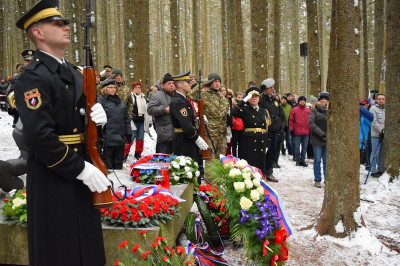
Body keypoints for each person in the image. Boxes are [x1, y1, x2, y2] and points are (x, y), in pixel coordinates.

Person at [14, 1, 110, 265]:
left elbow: (77, 124)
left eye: (65, 22)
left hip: (81, 169)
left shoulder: (75, 73)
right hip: (53, 174)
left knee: (86, 248)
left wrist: (97, 122)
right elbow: (39, 137)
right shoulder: (33, 77)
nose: (66, 26)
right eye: (57, 23)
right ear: (38, 33)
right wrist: (79, 168)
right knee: (59, 247)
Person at [188, 73, 229, 158]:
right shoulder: (204, 94)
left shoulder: (222, 97)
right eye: (214, 81)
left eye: (219, 81)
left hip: (222, 134)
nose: (217, 84)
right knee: (210, 160)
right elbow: (190, 95)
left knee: (221, 160)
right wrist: (202, 84)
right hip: (210, 133)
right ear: (209, 83)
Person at [170, 71, 208, 161]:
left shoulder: (183, 99)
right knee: (187, 169)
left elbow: (187, 119)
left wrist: (198, 120)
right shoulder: (179, 102)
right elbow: (186, 126)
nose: (190, 83)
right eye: (187, 81)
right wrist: (197, 138)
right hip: (183, 140)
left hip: (187, 138)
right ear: (180, 84)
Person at [231, 88, 270, 173]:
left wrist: (267, 139)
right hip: (248, 142)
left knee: (260, 164)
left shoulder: (265, 111)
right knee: (249, 165)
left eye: (256, 96)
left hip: (261, 141)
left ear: (259, 98)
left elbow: (267, 127)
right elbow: (233, 112)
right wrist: (243, 101)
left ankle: (261, 180)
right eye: (251, 97)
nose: (254, 98)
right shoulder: (245, 109)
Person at [97, 79, 132, 169]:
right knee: (108, 164)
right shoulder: (101, 100)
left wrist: (128, 133)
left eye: (114, 87)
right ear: (105, 89)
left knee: (118, 163)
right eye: (110, 87)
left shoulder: (119, 101)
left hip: (120, 138)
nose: (113, 89)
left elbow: (126, 118)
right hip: (108, 138)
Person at [259, 78, 285, 182]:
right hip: (265, 131)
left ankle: (269, 172)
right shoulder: (261, 100)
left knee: (272, 152)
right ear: (265, 89)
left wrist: (281, 126)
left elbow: (281, 114)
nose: (272, 89)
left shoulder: (275, 100)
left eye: (273, 87)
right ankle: (261, 171)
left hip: (276, 131)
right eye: (270, 87)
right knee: (263, 151)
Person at [147, 73, 176, 154]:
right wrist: (164, 110)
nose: (171, 85)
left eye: (173, 83)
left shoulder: (177, 95)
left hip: (177, 134)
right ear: (163, 85)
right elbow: (150, 109)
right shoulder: (156, 96)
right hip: (164, 134)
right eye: (169, 83)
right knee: (164, 160)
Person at [309, 92, 329, 188]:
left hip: (327, 140)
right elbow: (311, 124)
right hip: (317, 139)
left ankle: (327, 179)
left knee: (326, 160)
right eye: (321, 99)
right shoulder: (314, 110)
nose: (323, 100)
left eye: (325, 99)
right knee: (317, 159)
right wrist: (322, 134)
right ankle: (317, 179)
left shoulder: (330, 111)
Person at [128, 81, 150, 159]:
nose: (137, 89)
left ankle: (138, 153)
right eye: (135, 87)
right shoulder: (130, 97)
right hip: (133, 121)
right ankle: (125, 153)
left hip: (141, 120)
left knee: (140, 138)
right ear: (133, 89)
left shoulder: (143, 97)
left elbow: (146, 110)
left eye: (139, 87)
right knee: (131, 138)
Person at [289, 96, 310, 167]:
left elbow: (310, 121)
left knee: (304, 147)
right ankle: (298, 160)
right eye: (301, 100)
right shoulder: (294, 110)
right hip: (297, 132)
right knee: (297, 147)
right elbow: (291, 120)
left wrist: (310, 129)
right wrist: (291, 129)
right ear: (298, 101)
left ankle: (302, 160)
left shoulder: (308, 110)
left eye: (304, 100)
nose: (302, 101)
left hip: (306, 132)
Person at [369, 94, 385, 177]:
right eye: (379, 99)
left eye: (382, 99)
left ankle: (379, 169)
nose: (381, 100)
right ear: (377, 100)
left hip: (384, 135)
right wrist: (381, 131)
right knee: (375, 152)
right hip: (376, 135)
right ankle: (373, 170)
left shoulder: (386, 109)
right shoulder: (373, 108)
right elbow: (374, 121)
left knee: (381, 153)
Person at [359, 99, 373, 167]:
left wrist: (363, 112)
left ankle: (367, 162)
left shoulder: (367, 115)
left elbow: (370, 122)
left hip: (364, 139)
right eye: (361, 105)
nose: (362, 106)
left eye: (364, 105)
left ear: (367, 106)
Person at [231, 91, 244, 158]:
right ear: (235, 97)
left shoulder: (243, 105)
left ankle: (240, 156)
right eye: (239, 97)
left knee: (241, 144)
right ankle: (234, 156)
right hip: (235, 127)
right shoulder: (233, 104)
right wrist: (235, 122)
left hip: (242, 126)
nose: (240, 99)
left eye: (241, 97)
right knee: (234, 144)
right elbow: (231, 114)